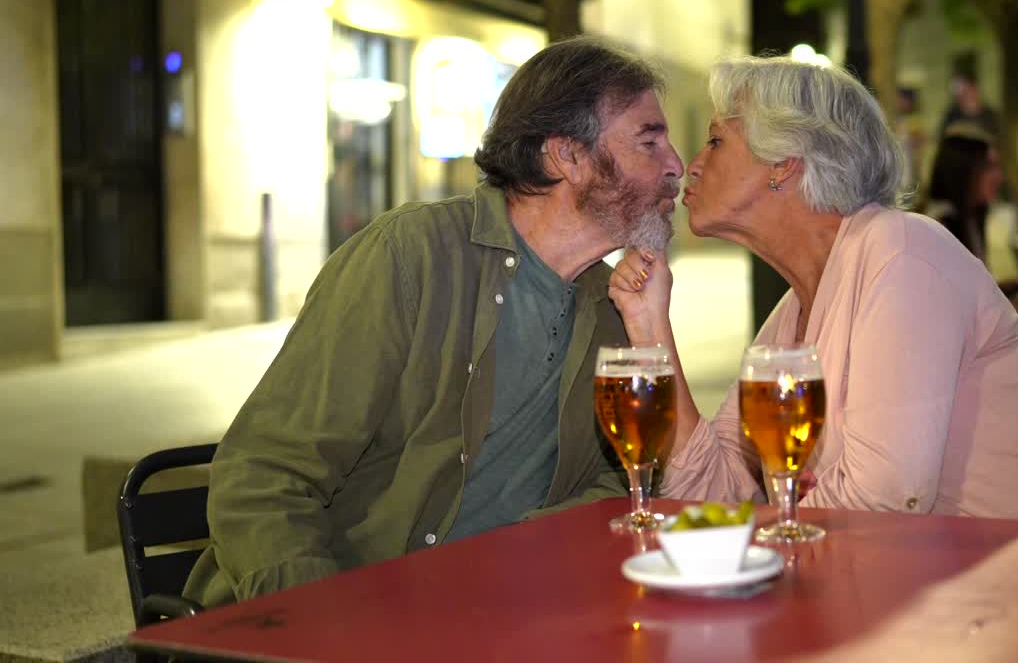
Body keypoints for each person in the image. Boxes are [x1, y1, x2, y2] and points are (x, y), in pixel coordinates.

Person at [607, 56, 1018, 661]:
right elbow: (710, 501)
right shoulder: (793, 313)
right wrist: (650, 327)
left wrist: (755, 530)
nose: (692, 163)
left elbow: (883, 503)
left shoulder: (903, 252)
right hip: (910, 600)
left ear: (785, 162)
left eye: (716, 139)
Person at [183, 37, 685, 607]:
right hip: (344, 614)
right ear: (565, 156)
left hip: (496, 618)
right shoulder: (411, 256)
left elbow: (622, 480)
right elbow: (266, 474)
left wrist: (523, 556)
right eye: (650, 141)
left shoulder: (612, 303)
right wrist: (317, 622)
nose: (677, 166)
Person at [922, 125, 1003, 262]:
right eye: (989, 167)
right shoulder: (939, 227)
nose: (1000, 177)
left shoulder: (971, 217)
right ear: (962, 170)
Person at [936, 71, 1001, 141]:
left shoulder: (992, 117)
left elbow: (1001, 144)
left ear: (975, 88)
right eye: (959, 93)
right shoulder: (950, 117)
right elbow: (941, 140)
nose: (963, 96)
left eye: (966, 90)